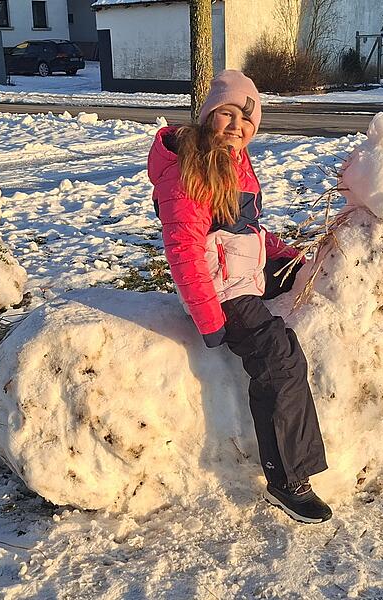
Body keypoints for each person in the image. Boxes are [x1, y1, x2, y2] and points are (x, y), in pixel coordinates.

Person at [147, 70, 331, 524]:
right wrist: (210, 320)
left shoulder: (235, 160)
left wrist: (287, 259)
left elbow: (246, 229)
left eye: (247, 120)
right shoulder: (188, 170)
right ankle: (287, 480)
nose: (237, 126)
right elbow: (184, 250)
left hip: (240, 269)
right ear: (208, 114)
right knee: (279, 359)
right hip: (222, 288)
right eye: (227, 114)